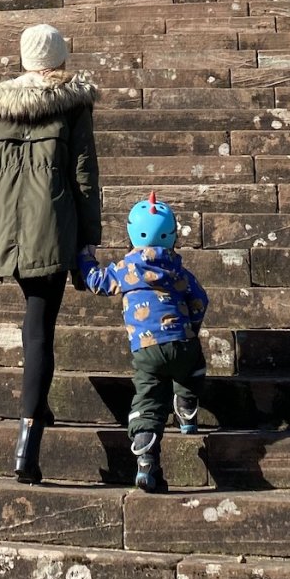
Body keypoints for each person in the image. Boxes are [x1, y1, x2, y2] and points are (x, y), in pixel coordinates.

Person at [0, 22, 101, 486]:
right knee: (40, 327)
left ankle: (37, 405)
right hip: (53, 227)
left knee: (33, 322)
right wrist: (89, 242)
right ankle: (28, 440)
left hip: (2, 228)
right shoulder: (72, 105)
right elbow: (84, 176)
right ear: (60, 60)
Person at [80, 193, 209, 493]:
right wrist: (193, 325)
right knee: (192, 370)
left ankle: (146, 459)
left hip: (146, 349)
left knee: (148, 400)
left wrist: (84, 258)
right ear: (173, 236)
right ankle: (187, 409)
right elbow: (201, 300)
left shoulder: (125, 270)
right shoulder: (179, 271)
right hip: (182, 340)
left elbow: (97, 281)